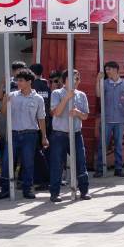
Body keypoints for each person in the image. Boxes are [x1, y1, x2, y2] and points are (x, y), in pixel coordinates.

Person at [0, 70, 48, 199]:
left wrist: (44, 137)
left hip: (30, 134)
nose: (18, 83)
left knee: (28, 162)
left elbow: (41, 118)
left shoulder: (38, 98)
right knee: (8, 161)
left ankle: (27, 188)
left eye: (21, 81)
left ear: (29, 81)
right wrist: (4, 101)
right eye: (17, 80)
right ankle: (5, 189)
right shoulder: (12, 95)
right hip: (13, 133)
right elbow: (3, 112)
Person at [49, 69, 90, 202]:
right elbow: (56, 112)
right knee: (57, 164)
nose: (76, 81)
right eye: (73, 78)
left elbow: (85, 116)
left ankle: (84, 191)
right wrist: (67, 98)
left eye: (78, 79)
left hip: (76, 134)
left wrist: (78, 113)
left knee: (81, 162)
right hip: (59, 134)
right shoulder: (57, 93)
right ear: (65, 80)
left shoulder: (81, 95)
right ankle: (55, 193)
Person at [99, 61, 124, 177]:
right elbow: (98, 94)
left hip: (120, 120)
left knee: (119, 146)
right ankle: (99, 169)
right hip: (107, 119)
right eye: (106, 70)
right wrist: (97, 80)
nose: (107, 71)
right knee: (102, 145)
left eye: (108, 69)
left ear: (115, 69)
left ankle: (118, 169)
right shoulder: (104, 83)